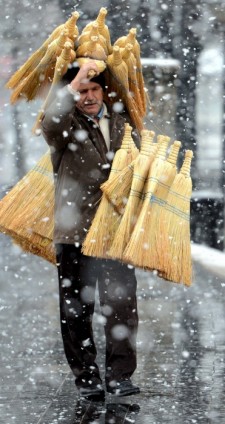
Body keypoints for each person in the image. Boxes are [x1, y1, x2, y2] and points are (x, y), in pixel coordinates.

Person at [41, 61, 141, 400]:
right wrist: (71, 87)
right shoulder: (65, 125)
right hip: (75, 233)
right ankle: (87, 378)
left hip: (115, 230)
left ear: (103, 91)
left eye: (93, 89)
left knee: (122, 305)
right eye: (82, 91)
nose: (88, 97)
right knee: (76, 310)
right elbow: (51, 123)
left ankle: (120, 376)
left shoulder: (123, 124)